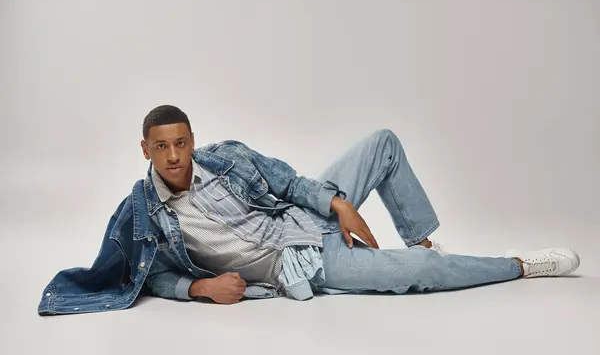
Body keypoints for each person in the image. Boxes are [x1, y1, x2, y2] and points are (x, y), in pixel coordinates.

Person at [37, 105, 580, 315]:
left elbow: (289, 182)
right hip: (306, 265)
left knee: (382, 141)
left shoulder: (225, 157)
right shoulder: (145, 213)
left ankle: (421, 242)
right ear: (145, 150)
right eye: (162, 147)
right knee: (425, 278)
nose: (175, 156)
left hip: (308, 222)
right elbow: (146, 272)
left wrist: (337, 201)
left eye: (181, 143)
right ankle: (520, 265)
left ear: (192, 140)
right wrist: (197, 288)